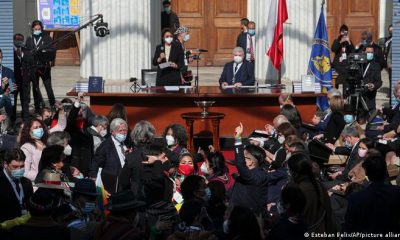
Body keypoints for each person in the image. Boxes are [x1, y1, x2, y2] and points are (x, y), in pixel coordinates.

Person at [344, 155, 400, 233]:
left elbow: (349, 227)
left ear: (367, 173)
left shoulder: (356, 198)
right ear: (385, 172)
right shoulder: (397, 193)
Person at [287, 153, 337, 234]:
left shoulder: (297, 188)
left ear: (293, 171)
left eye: (289, 169)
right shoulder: (317, 184)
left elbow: (292, 217)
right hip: (321, 230)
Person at [229, 123, 269, 215]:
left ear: (250, 161)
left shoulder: (257, 176)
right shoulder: (253, 173)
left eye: (243, 157)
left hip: (250, 220)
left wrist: (238, 139)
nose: (240, 159)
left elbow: (239, 164)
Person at [21, 20, 56, 120]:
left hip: (44, 67)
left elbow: (52, 51)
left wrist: (43, 52)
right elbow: (26, 51)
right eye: (35, 29)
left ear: (42, 28)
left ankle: (53, 105)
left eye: (39, 29)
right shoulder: (29, 39)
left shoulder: (46, 37)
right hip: (33, 67)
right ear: (32, 29)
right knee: (35, 89)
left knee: (48, 87)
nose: (37, 30)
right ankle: (37, 108)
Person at [89, 118, 129, 195]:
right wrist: (99, 187)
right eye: (120, 131)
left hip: (125, 185)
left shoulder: (127, 143)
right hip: (111, 186)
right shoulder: (105, 146)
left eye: (125, 130)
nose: (123, 133)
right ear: (112, 131)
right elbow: (95, 165)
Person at [0, 149, 33, 223]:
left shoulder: (27, 182)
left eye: (22, 166)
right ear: (5, 164)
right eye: (15, 167)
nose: (19, 169)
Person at [331, 24, 354, 89]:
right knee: (335, 84)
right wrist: (340, 41)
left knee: (346, 84)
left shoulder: (348, 41)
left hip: (346, 66)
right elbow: (333, 49)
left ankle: (345, 97)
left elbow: (353, 51)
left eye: (345, 31)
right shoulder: (337, 41)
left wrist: (349, 42)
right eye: (342, 31)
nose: (344, 33)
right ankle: (335, 97)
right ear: (340, 32)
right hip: (337, 66)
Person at [12, 33, 25, 123]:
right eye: (17, 39)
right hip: (12, 79)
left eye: (21, 39)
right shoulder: (9, 50)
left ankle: (25, 118)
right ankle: (12, 118)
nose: (19, 41)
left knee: (24, 99)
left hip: (24, 79)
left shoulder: (24, 50)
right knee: (13, 98)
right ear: (13, 40)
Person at [0, 49, 15, 120]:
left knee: (5, 98)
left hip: (4, 99)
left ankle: (8, 122)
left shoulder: (9, 72)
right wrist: (2, 87)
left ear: (2, 57)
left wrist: (7, 86)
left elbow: (13, 89)